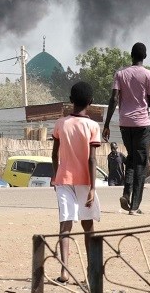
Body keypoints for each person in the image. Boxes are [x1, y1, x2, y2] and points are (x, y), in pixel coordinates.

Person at [102, 43, 150, 215]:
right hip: (142, 125)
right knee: (141, 164)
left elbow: (113, 99)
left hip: (125, 124)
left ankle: (126, 193)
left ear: (131, 55)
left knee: (131, 159)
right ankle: (134, 206)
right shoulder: (149, 75)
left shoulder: (120, 74)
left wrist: (106, 124)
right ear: (145, 56)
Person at [51, 81, 101, 285]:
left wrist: (55, 177)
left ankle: (64, 271)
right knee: (88, 226)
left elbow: (54, 155)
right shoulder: (92, 126)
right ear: (91, 102)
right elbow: (92, 159)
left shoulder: (60, 124)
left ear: (70, 100)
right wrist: (93, 187)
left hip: (63, 180)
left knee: (65, 225)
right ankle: (91, 270)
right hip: (84, 181)